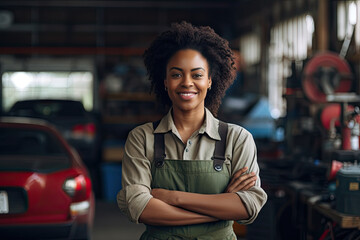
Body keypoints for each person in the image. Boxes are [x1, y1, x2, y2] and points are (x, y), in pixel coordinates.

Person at [117, 21, 267, 240]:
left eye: (197, 75)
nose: (187, 83)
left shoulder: (237, 139)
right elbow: (139, 207)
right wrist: (220, 209)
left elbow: (249, 206)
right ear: (165, 81)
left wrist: (173, 198)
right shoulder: (142, 138)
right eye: (177, 74)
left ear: (209, 81)